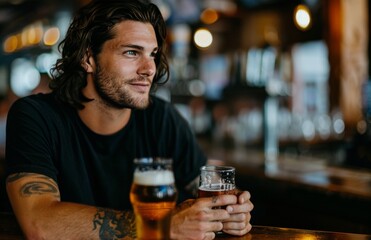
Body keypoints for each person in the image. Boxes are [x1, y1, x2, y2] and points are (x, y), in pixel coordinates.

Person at [5, 0, 253, 239]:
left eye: (153, 54)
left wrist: (233, 210)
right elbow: (39, 224)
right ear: (88, 58)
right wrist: (162, 227)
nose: (149, 69)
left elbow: (208, 194)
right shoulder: (36, 117)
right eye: (132, 52)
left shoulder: (162, 119)